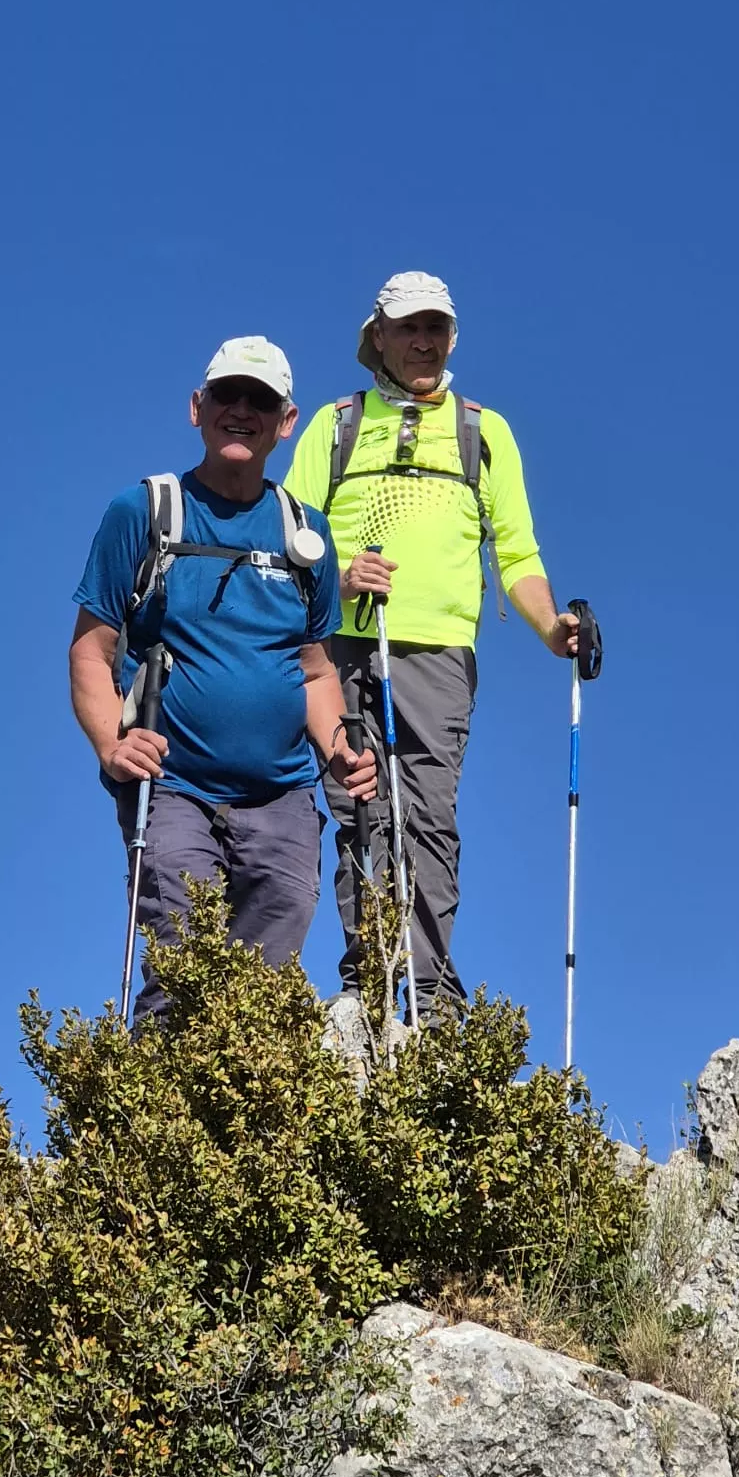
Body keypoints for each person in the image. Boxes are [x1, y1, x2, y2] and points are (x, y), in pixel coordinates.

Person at [283, 272, 579, 1017]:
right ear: (377, 336)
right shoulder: (336, 423)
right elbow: (288, 535)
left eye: (435, 329)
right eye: (408, 327)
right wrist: (341, 577)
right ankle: (367, 978)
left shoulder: (484, 430)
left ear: (451, 338)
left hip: (440, 649)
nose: (422, 341)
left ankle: (429, 990)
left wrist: (552, 629)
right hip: (341, 643)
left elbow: (517, 551)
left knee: (428, 815)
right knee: (356, 803)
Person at [69, 337, 377, 1025]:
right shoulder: (145, 511)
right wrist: (109, 748)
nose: (242, 411)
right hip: (172, 784)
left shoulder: (308, 534)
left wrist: (339, 752)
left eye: (260, 401)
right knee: (181, 962)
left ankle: (236, 1132)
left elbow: (315, 669)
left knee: (261, 996)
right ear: (197, 408)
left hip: (284, 798)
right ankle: (153, 1124)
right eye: (227, 396)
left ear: (286, 420)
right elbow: (92, 651)